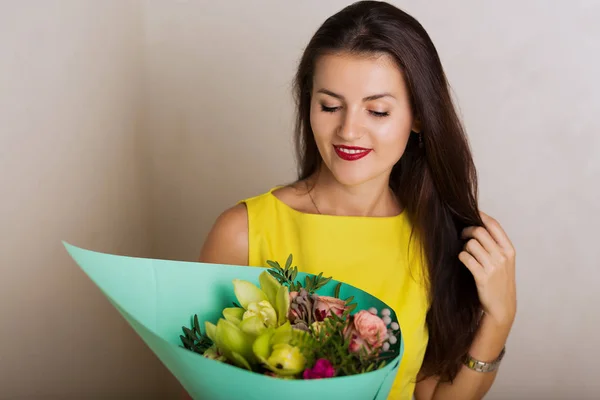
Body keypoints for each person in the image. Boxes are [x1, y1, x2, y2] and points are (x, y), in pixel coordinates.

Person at [199, 1, 517, 399]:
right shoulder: (241, 233)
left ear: (418, 116)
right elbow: (201, 389)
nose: (349, 130)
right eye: (330, 106)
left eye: (377, 111)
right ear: (308, 104)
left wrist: (500, 319)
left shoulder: (436, 238)